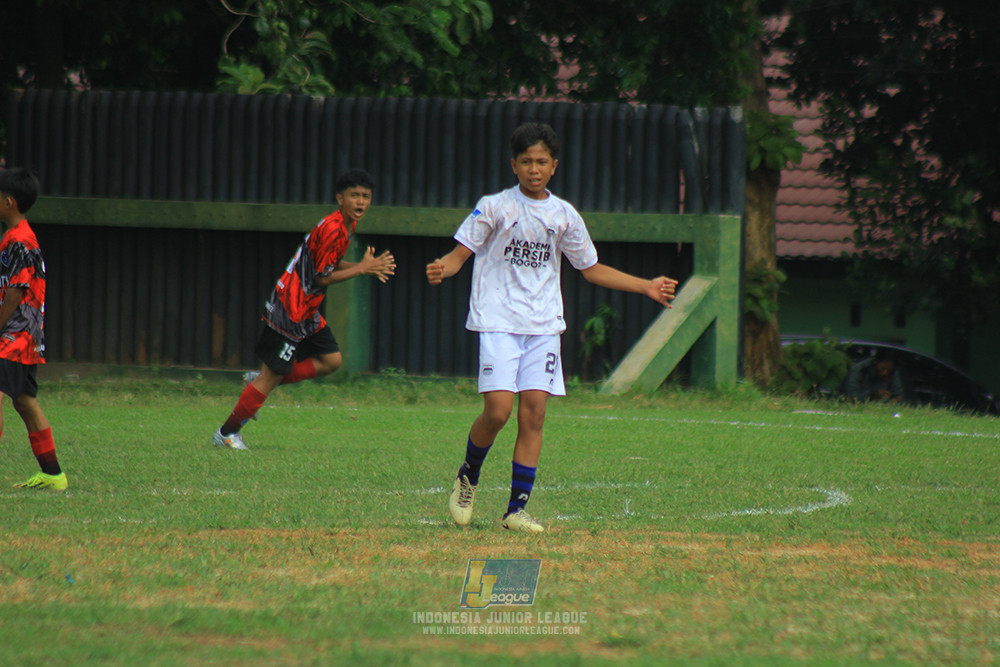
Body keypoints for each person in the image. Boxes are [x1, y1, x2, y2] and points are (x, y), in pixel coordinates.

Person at [426, 122, 678, 533]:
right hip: (498, 321)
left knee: (535, 413)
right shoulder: (494, 207)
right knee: (498, 410)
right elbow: (460, 254)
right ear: (514, 165)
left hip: (543, 326)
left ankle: (515, 510)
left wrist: (646, 286)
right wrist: (444, 268)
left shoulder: (564, 215)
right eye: (526, 161)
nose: (534, 169)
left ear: (554, 166)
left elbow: (591, 269)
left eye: (542, 161)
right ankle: (468, 475)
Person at [213, 169, 395, 450]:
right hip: (290, 309)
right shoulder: (334, 229)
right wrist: (361, 268)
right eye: (354, 195)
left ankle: (257, 384)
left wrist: (363, 268)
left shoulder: (345, 226)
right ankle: (226, 433)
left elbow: (327, 264)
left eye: (366, 196)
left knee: (331, 360)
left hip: (306, 309)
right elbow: (321, 277)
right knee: (271, 376)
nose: (360, 201)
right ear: (340, 198)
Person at [0, 167, 67, 491]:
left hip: (14, 335)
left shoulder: (19, 240)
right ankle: (54, 474)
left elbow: (15, 291)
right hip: (25, 335)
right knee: (24, 401)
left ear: (9, 202)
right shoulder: (17, 236)